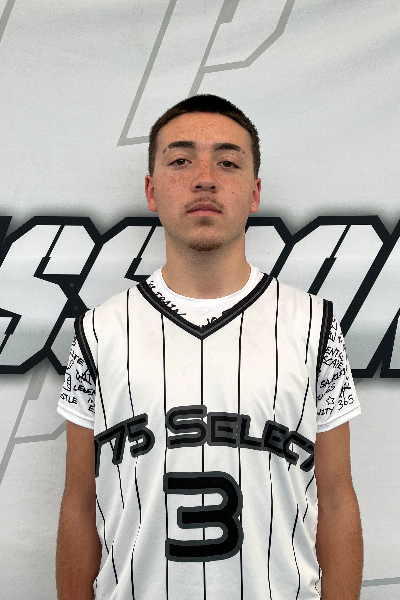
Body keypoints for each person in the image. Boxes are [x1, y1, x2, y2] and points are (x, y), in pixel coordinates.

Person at [56, 94, 363, 600]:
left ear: (255, 192)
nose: (204, 178)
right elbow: (78, 504)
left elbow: (336, 500)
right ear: (152, 191)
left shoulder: (315, 325)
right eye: (181, 161)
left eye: (227, 162)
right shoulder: (97, 331)